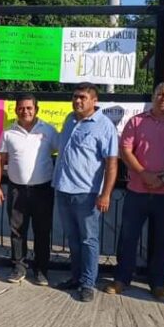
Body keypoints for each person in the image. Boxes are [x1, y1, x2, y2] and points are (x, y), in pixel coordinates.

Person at [107, 82, 164, 300]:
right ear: (153, 96)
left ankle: (157, 283)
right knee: (128, 236)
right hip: (137, 191)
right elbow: (125, 150)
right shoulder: (137, 121)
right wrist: (144, 174)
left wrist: (162, 178)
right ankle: (122, 278)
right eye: (160, 94)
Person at [52, 83, 119, 303]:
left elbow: (111, 164)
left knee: (88, 240)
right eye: (75, 97)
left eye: (82, 97)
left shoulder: (104, 126)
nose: (77, 101)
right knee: (72, 238)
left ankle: (88, 283)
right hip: (63, 189)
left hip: (87, 194)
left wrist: (106, 194)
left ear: (94, 101)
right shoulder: (69, 120)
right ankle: (76, 277)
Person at [0, 96, 58, 286]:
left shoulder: (48, 131)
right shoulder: (8, 133)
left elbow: (62, 153)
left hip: (43, 190)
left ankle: (41, 270)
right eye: (21, 108)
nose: (25, 111)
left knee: (42, 231)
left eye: (29, 108)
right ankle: (19, 267)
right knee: (17, 230)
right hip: (16, 191)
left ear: (36, 109)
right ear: (15, 111)